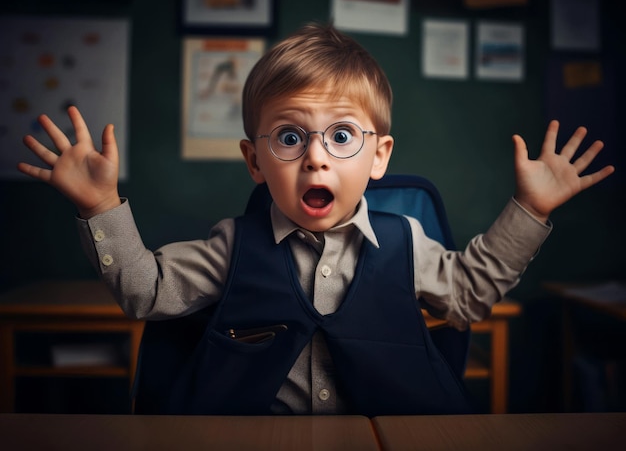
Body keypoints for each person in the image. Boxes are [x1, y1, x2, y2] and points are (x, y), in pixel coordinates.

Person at [17, 23, 614, 416]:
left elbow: (469, 296)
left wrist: (532, 209)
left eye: (343, 135)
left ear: (379, 156)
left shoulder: (406, 242)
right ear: (255, 160)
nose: (317, 156)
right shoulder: (232, 245)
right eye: (291, 136)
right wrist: (99, 205)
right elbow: (145, 293)